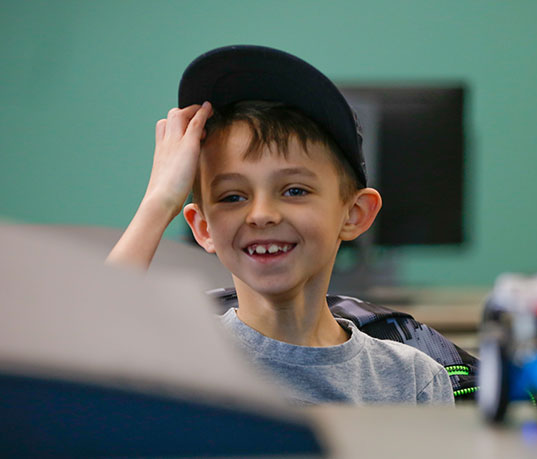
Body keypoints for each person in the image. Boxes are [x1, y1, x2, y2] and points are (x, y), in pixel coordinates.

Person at [107, 45, 454, 405]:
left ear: (354, 214)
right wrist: (160, 201)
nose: (261, 214)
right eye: (232, 197)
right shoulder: (176, 362)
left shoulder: (413, 379)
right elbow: (74, 351)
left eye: (293, 190)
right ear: (203, 228)